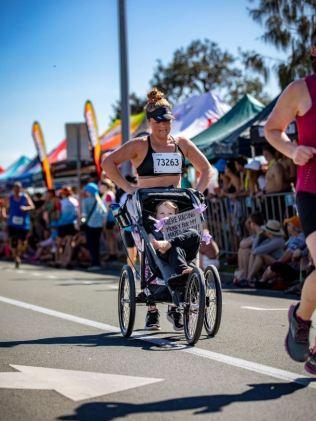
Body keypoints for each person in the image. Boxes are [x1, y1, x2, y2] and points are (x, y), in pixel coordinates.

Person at [102, 87, 214, 331]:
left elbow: (206, 169)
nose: (165, 127)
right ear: (151, 122)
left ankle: (179, 302)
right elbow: (107, 162)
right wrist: (128, 188)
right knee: (148, 250)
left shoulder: (181, 143)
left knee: (183, 244)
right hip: (146, 204)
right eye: (160, 122)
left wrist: (197, 192)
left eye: (168, 122)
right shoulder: (141, 145)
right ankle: (152, 307)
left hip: (175, 203)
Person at [264, 28, 316, 374]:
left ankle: (302, 318)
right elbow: (272, 130)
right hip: (313, 190)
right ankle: (302, 320)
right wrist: (292, 149)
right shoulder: (301, 89)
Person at [7, 182, 35, 268]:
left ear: (20, 189)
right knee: (13, 242)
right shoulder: (10, 198)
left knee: (23, 242)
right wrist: (4, 214)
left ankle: (18, 254)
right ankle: (16, 258)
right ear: (13, 189)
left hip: (23, 223)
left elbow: (32, 206)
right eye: (15, 188)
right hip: (12, 223)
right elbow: (4, 207)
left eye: (18, 188)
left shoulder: (24, 197)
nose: (16, 190)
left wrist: (25, 208)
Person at [82, 182, 107, 271]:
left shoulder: (85, 201)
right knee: (96, 244)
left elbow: (84, 214)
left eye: (86, 191)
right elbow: (104, 213)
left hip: (89, 225)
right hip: (99, 226)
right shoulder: (99, 200)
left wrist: (82, 222)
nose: (85, 192)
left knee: (91, 245)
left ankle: (94, 263)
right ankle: (97, 262)